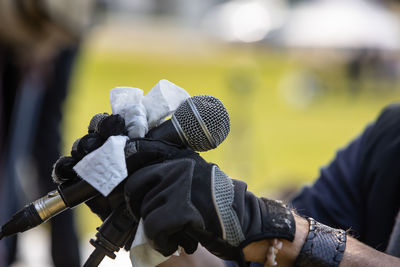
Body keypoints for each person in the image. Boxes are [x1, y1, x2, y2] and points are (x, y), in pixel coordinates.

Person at [53, 103, 400, 266]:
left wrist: (276, 230)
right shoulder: (390, 138)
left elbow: (277, 239)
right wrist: (161, 226)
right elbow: (241, 261)